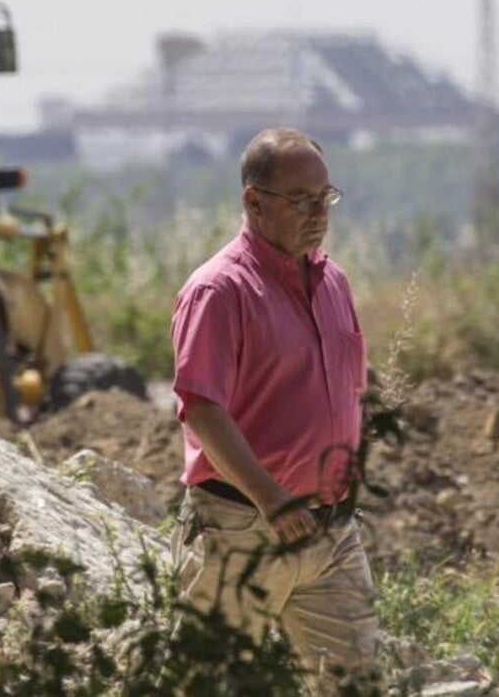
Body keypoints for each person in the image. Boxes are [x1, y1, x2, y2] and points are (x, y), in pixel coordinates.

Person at [169, 127, 377, 690]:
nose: (318, 212)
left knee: (357, 683)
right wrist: (271, 497)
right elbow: (202, 409)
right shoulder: (218, 291)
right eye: (301, 200)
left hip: (328, 531)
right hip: (243, 526)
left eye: (325, 197)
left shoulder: (333, 281)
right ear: (254, 201)